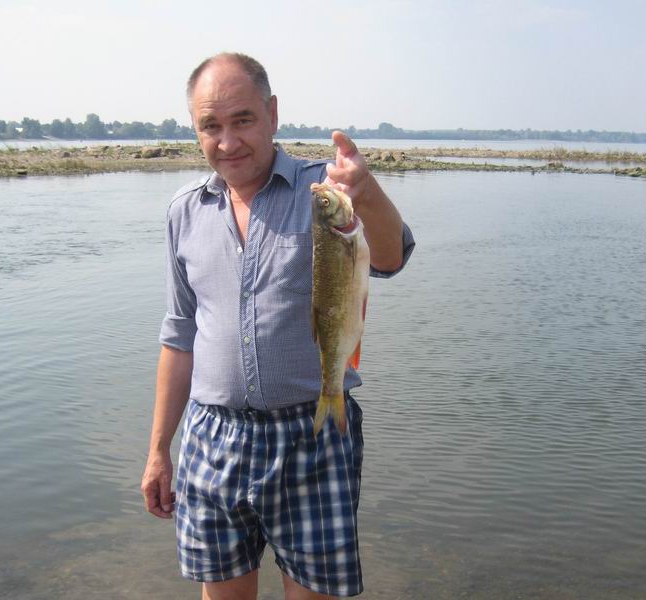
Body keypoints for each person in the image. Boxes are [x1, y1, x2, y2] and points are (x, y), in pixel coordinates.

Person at [141, 52, 415, 600]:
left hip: (310, 434)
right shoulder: (184, 210)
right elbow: (179, 335)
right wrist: (157, 450)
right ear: (195, 129)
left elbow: (390, 257)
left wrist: (365, 190)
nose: (228, 141)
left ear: (272, 113)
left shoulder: (325, 191)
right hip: (211, 438)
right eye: (210, 126)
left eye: (242, 119)